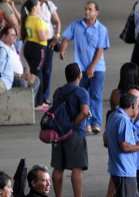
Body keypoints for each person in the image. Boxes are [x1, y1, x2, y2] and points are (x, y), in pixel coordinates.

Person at [60, 1, 110, 135]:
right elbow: (65, 37)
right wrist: (63, 50)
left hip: (97, 68)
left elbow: (100, 50)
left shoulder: (102, 29)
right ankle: (85, 123)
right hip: (80, 68)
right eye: (85, 9)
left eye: (90, 9)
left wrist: (92, 67)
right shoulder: (76, 25)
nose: (87, 12)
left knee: (96, 96)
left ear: (96, 12)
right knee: (83, 96)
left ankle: (96, 123)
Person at [105, 92, 139, 197]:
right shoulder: (123, 120)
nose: (138, 110)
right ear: (132, 106)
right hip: (124, 170)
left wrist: (138, 144)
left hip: (117, 169)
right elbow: (125, 146)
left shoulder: (113, 116)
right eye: (137, 106)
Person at [51, 63, 90, 197]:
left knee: (58, 168)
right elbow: (84, 112)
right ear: (80, 75)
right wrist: (73, 124)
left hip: (58, 133)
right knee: (77, 169)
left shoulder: (58, 91)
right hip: (75, 134)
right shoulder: (82, 92)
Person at [32, 0, 61, 109]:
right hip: (38, 42)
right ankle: (38, 98)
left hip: (49, 41)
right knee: (39, 69)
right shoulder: (32, 6)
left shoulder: (49, 4)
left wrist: (57, 35)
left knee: (47, 69)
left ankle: (45, 97)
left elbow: (57, 21)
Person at [21, 0, 49, 109]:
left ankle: (36, 100)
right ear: (34, 8)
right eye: (38, 5)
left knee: (33, 72)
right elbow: (42, 37)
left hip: (29, 46)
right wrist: (48, 33)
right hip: (38, 48)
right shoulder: (37, 21)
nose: (40, 7)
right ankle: (38, 102)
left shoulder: (28, 19)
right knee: (38, 74)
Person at [0, 26, 39, 97]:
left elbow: (21, 60)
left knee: (36, 80)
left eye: (15, 35)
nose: (15, 37)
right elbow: (2, 69)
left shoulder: (12, 46)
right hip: (11, 77)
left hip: (20, 74)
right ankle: (23, 102)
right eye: (12, 35)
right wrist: (20, 76)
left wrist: (26, 71)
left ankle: (28, 102)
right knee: (23, 83)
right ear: (4, 36)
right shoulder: (2, 48)